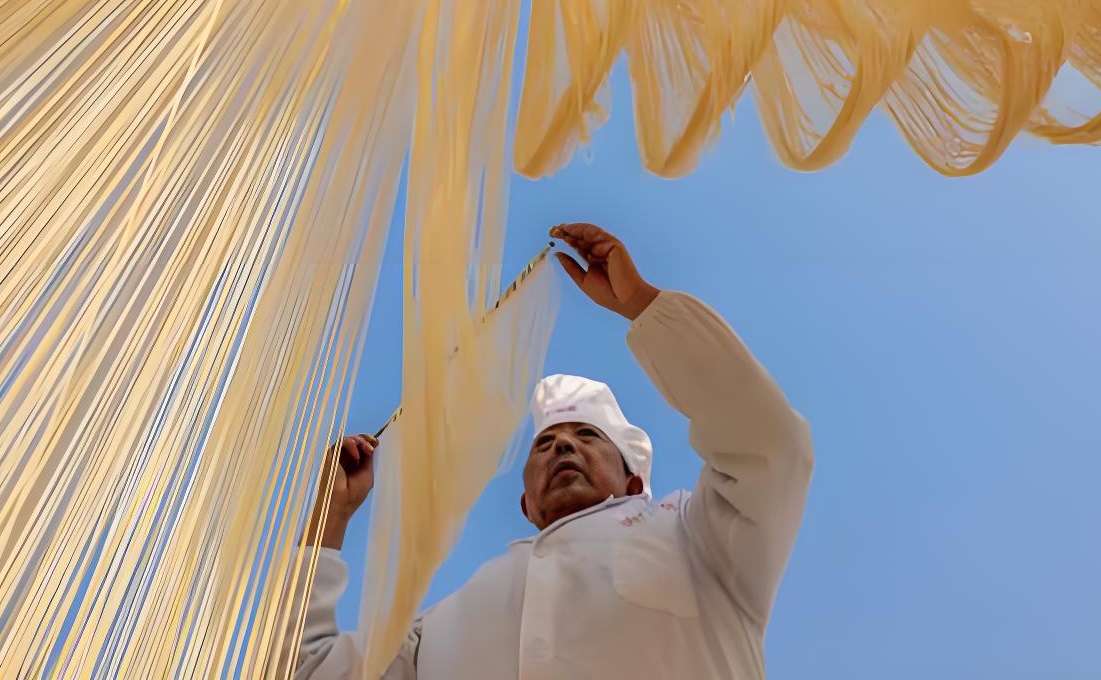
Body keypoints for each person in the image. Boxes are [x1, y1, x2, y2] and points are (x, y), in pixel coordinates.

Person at [292, 221, 814, 679]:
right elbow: (308, 671)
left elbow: (769, 443)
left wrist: (640, 303)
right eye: (544, 443)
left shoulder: (698, 541)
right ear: (527, 504)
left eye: (588, 436)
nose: (562, 443)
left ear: (634, 482)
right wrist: (329, 517)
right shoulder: (440, 628)